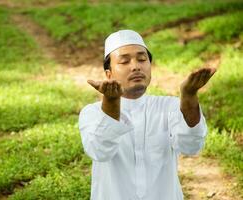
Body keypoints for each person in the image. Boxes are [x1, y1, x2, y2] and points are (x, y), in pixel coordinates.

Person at [78, 30, 216, 200]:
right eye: (124, 61)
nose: (136, 66)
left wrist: (189, 96)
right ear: (109, 74)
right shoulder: (92, 113)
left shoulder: (170, 107)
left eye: (142, 59)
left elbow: (191, 146)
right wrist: (112, 102)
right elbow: (100, 151)